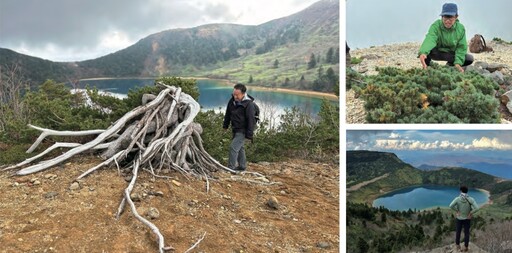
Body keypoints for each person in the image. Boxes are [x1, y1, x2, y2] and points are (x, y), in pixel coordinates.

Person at [418, 3, 474, 73]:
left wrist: (458, 63)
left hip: (450, 54)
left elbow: (461, 47)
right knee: (427, 51)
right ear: (442, 17)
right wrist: (423, 53)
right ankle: (427, 68)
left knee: (469, 58)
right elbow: (430, 39)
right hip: (436, 53)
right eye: (445, 17)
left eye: (450, 17)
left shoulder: (461, 29)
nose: (447, 21)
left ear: (456, 17)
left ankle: (451, 65)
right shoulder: (436, 26)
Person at [222, 83, 256, 172]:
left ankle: (230, 168)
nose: (235, 96)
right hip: (235, 128)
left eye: (237, 95)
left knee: (233, 147)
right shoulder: (232, 101)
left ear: (243, 94)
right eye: (234, 94)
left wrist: (249, 135)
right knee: (240, 148)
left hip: (243, 130)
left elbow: (251, 121)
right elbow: (228, 114)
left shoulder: (249, 104)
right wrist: (225, 126)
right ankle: (242, 166)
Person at [449, 185, 479, 252]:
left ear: (460, 191)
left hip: (459, 218)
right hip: (467, 219)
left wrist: (457, 210)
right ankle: (466, 247)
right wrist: (470, 213)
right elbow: (477, 208)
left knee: (458, 232)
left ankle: (457, 245)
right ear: (467, 191)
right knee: (466, 233)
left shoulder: (457, 199)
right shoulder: (471, 199)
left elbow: (450, 206)